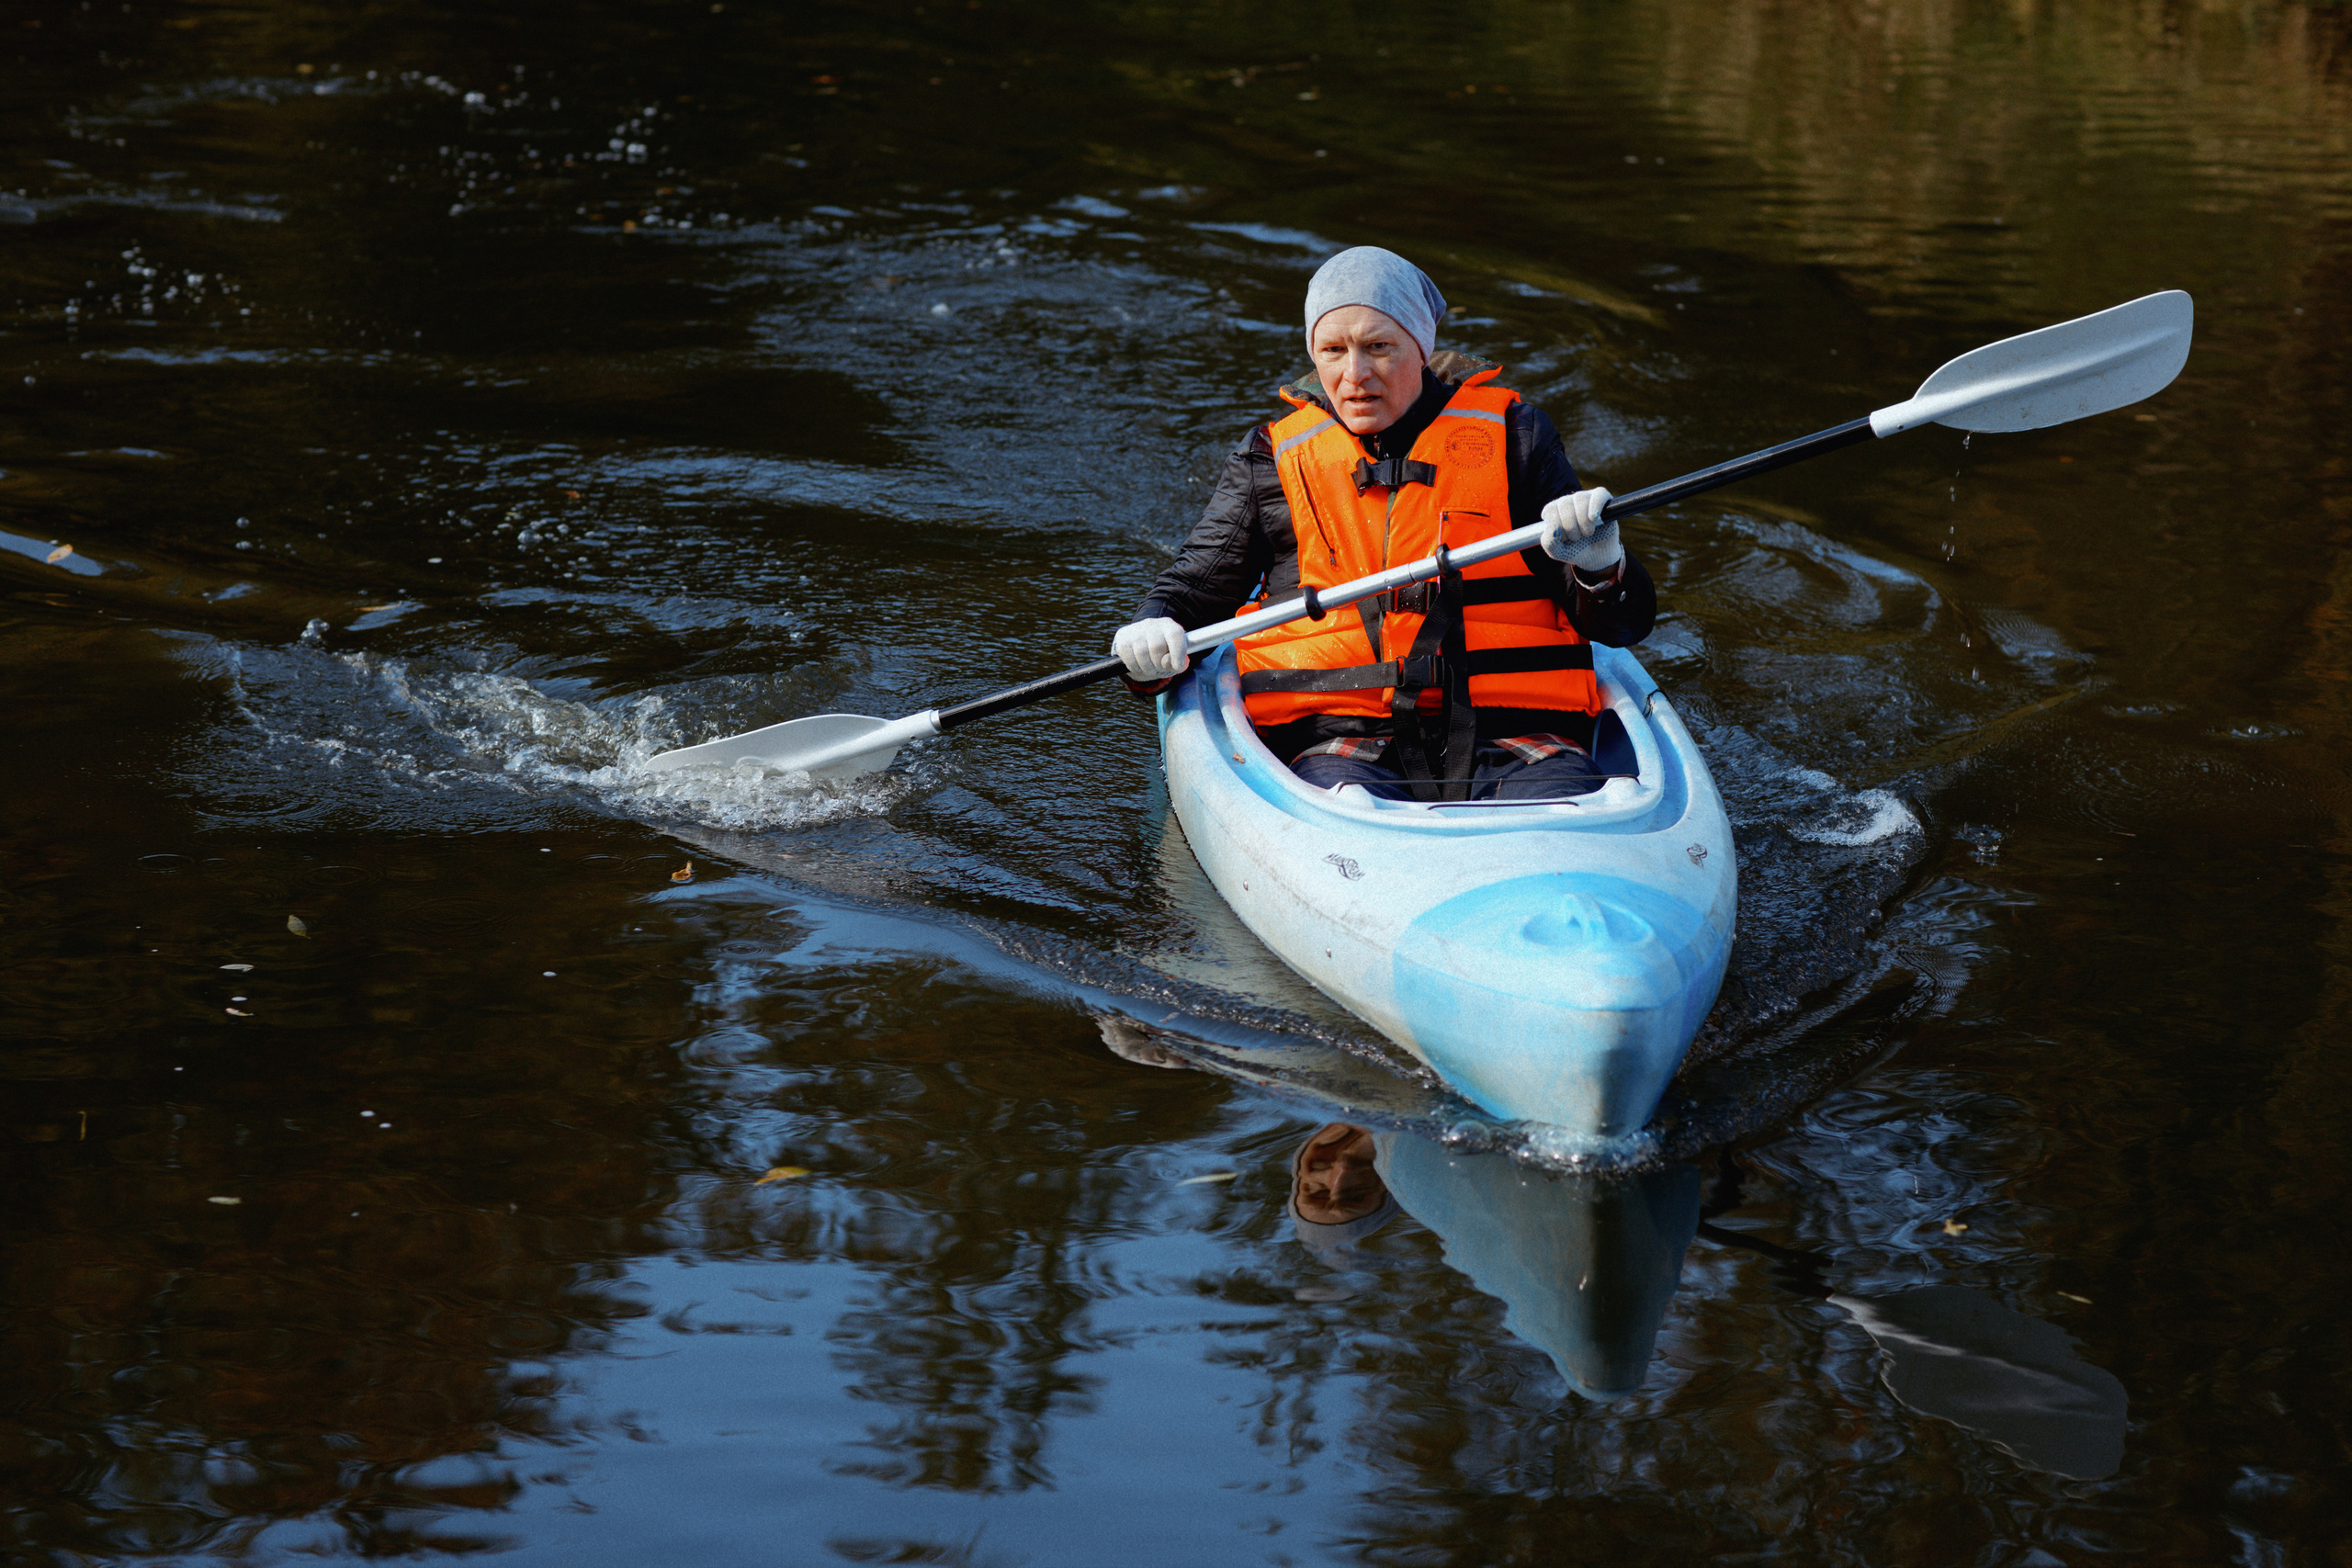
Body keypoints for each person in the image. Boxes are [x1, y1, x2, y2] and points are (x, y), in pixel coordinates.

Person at [1111, 247, 1655, 802]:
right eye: (1333, 350)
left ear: (1420, 349)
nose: (1355, 376)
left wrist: (1599, 565)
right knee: (1338, 796)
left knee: (1565, 799)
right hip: (1341, 738)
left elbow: (1621, 626)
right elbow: (1195, 590)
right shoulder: (1269, 461)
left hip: (1515, 731)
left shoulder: (1518, 439)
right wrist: (1152, 632)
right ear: (1314, 355)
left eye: (1378, 347)